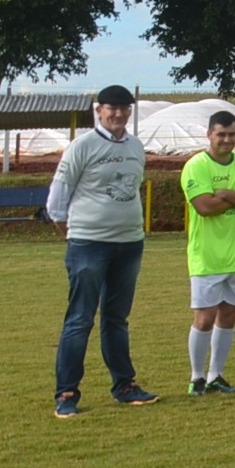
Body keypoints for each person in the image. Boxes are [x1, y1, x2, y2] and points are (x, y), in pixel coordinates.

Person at [48, 84, 157, 417]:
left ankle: (124, 385)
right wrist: (79, 234)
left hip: (128, 244)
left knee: (116, 320)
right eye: (112, 107)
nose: (119, 113)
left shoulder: (136, 146)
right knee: (80, 320)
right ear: (99, 110)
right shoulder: (82, 147)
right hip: (88, 245)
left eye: (125, 108)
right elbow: (56, 203)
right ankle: (66, 393)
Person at [181, 107, 235, 396]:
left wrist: (225, 195)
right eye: (221, 135)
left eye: (232, 134)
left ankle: (216, 375)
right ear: (209, 135)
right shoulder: (197, 166)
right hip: (207, 256)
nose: (227, 140)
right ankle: (196, 377)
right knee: (204, 318)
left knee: (229, 315)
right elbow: (204, 208)